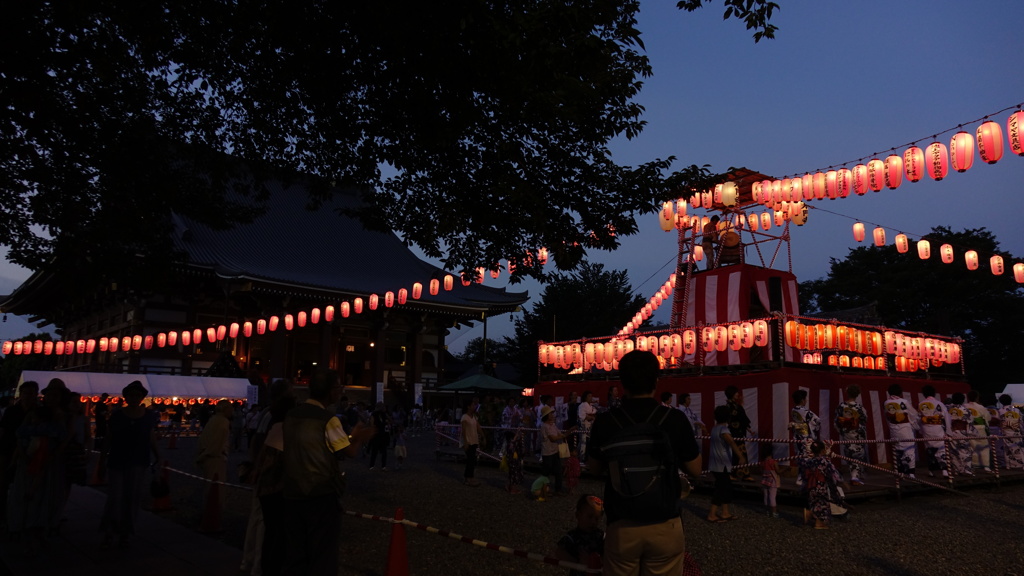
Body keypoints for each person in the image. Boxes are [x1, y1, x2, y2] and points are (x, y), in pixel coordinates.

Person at [587, 350, 701, 576]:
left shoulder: (606, 421)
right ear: (656, 381)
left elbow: (594, 468)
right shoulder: (674, 419)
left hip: (621, 523)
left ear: (622, 384)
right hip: (665, 521)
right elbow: (695, 469)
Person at [282, 369, 374, 576]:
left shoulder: (292, 415)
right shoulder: (327, 419)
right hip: (320, 492)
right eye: (339, 386)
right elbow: (347, 450)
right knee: (322, 552)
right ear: (332, 391)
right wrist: (357, 436)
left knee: (295, 551)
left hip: (291, 490)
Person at [99, 380, 160, 548]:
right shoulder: (117, 415)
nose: (134, 398)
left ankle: (126, 531)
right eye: (131, 395)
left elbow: (151, 436)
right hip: (118, 460)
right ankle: (110, 530)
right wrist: (102, 459)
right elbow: (108, 438)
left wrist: (158, 456)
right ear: (126, 397)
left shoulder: (148, 416)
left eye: (137, 395)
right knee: (115, 497)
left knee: (132, 497)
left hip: (139, 460)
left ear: (142, 397)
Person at [0, 381, 39, 529]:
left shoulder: (39, 412)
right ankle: (3, 513)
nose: (28, 396)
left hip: (30, 452)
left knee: (25, 484)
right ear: (21, 395)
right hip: (7, 449)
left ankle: (23, 513)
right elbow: (3, 430)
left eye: (31, 393)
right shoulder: (12, 411)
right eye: (26, 393)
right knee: (3, 482)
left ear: (36, 394)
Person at [554, 495, 605, 576]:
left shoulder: (601, 536)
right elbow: (559, 552)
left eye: (597, 519)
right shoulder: (573, 536)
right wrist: (577, 562)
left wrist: (596, 562)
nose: (593, 522)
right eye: (590, 517)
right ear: (578, 515)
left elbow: (610, 555)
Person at [799, 440, 845, 530]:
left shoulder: (809, 461)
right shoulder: (825, 462)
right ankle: (813, 518)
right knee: (823, 504)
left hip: (811, 486)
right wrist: (841, 481)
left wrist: (803, 485)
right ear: (823, 450)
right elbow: (832, 473)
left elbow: (804, 474)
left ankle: (815, 520)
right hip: (820, 485)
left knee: (815, 503)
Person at [707, 405, 741, 523]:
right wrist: (741, 456)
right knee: (721, 488)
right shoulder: (724, 430)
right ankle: (712, 514)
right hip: (721, 464)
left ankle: (725, 512)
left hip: (716, 464)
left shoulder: (714, 428)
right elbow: (731, 442)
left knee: (726, 487)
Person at [834, 385, 868, 485]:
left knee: (849, 453)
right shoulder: (859, 407)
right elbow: (864, 419)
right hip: (857, 432)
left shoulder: (841, 406)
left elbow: (836, 421)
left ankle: (855, 475)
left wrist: (841, 430)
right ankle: (855, 477)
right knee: (858, 454)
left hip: (846, 432)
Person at [883, 384, 919, 478]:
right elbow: (913, 414)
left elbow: (887, 417)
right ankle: (910, 472)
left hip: (893, 428)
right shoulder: (904, 401)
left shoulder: (886, 403)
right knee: (909, 448)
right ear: (900, 392)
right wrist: (914, 425)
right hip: (905, 428)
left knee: (898, 449)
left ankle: (900, 472)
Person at [196, 399, 232, 486]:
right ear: (226, 409)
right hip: (216, 457)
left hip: (208, 455)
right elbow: (216, 444)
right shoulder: (223, 422)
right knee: (216, 488)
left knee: (210, 486)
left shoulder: (213, 419)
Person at [917, 385, 951, 478]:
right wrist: (948, 431)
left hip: (926, 428)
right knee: (941, 448)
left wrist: (920, 429)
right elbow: (946, 417)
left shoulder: (921, 404)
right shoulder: (939, 403)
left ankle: (931, 471)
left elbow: (919, 418)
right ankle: (944, 471)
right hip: (937, 427)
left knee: (929, 448)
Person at [540, 405, 573, 495]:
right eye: (550, 413)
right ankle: (544, 489)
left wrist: (570, 431)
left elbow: (561, 435)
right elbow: (553, 438)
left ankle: (557, 490)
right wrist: (562, 435)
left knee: (558, 471)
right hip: (547, 453)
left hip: (554, 451)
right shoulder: (545, 426)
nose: (552, 415)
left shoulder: (553, 425)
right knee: (546, 472)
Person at [724, 385, 754, 481]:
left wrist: (748, 429)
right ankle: (740, 474)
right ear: (732, 394)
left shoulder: (735, 406)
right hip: (733, 432)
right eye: (736, 393)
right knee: (737, 453)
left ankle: (740, 474)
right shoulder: (729, 406)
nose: (738, 394)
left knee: (739, 453)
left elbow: (742, 419)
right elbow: (737, 419)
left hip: (738, 432)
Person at [946, 393, 975, 476]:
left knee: (954, 451)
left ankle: (957, 470)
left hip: (951, 432)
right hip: (962, 432)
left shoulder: (948, 409)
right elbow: (970, 422)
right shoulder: (965, 409)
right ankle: (967, 469)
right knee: (966, 450)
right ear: (963, 400)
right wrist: (971, 432)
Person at [964, 390, 991, 472]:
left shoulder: (964, 406)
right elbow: (988, 418)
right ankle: (985, 465)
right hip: (979, 428)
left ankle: (974, 464)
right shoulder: (981, 407)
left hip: (969, 427)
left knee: (972, 446)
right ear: (977, 397)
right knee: (984, 447)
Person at [789, 389, 821, 459]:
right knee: (808, 457)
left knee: (799, 457)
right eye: (805, 398)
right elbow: (817, 421)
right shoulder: (806, 412)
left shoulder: (793, 410)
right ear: (802, 400)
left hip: (797, 436)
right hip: (806, 438)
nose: (806, 400)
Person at [460, 397, 484, 487]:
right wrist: (465, 442)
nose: (475, 406)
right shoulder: (465, 417)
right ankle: (468, 478)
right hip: (468, 441)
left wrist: (482, 435)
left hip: (474, 440)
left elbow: (478, 427)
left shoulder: (474, 417)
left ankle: (470, 477)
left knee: (472, 460)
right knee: (470, 460)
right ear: (468, 406)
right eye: (473, 405)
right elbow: (464, 430)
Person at [997, 394, 1023, 469]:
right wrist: (1021, 430)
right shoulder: (1017, 410)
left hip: (1006, 431)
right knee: (1019, 448)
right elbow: (1020, 422)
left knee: (1007, 449)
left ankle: (1009, 465)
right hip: (1016, 431)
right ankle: (1021, 464)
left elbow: (1000, 422)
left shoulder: (1000, 411)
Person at [368, 402, 392, 471]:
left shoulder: (384, 414)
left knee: (384, 452)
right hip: (376, 434)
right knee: (374, 451)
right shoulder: (374, 414)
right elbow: (371, 423)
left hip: (383, 434)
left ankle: (383, 466)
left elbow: (390, 420)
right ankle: (372, 465)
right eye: (381, 406)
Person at [760, 442, 780, 518]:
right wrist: (785, 469)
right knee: (772, 496)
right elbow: (778, 471)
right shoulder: (773, 462)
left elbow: (761, 471)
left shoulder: (763, 462)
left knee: (766, 496)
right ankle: (774, 513)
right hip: (772, 481)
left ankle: (767, 511)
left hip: (764, 480)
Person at [577, 391, 596, 461]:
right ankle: (581, 459)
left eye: (591, 396)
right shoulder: (582, 405)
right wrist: (591, 417)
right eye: (589, 396)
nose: (591, 398)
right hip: (583, 426)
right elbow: (582, 416)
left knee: (587, 443)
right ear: (585, 397)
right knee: (583, 443)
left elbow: (594, 413)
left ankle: (585, 458)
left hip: (590, 427)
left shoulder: (591, 406)